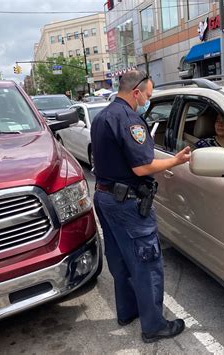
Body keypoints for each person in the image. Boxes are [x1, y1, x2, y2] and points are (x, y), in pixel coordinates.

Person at [90, 70, 191, 343]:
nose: (148, 100)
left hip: (105, 197)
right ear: (136, 92)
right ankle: (154, 326)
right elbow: (142, 166)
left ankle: (127, 312)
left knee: (121, 258)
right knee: (147, 263)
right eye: (147, 95)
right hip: (127, 204)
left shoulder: (102, 117)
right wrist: (176, 161)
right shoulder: (129, 119)